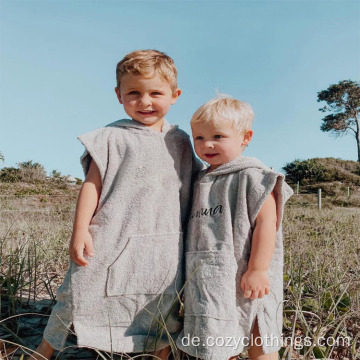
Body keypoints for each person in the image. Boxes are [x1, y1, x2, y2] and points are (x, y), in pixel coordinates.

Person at [32, 49, 201, 360]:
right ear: (118, 95)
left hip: (161, 239)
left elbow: (193, 187)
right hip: (110, 233)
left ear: (175, 95)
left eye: (155, 93)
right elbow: (92, 184)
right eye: (133, 92)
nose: (145, 101)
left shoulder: (180, 141)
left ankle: (158, 352)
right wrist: (80, 229)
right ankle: (45, 349)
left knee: (160, 298)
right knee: (77, 290)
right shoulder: (111, 136)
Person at [176, 96, 293, 360]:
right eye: (199, 138)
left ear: (245, 137)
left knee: (258, 333)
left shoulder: (253, 176)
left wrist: (258, 269)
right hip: (209, 278)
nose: (208, 144)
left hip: (248, 275)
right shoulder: (199, 180)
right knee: (217, 338)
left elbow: (267, 223)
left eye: (218, 136)